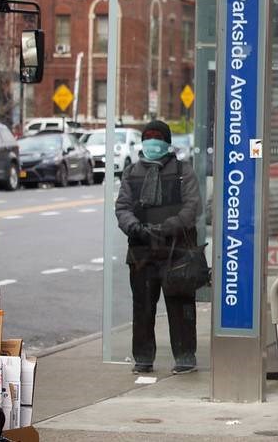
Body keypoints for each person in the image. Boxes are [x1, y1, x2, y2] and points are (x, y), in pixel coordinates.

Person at [115, 120, 201, 374]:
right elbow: (122, 208)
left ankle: (185, 357)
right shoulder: (132, 172)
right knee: (142, 307)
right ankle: (143, 358)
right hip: (141, 251)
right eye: (148, 137)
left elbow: (192, 206)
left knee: (181, 305)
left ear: (167, 142)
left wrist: (168, 226)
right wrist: (135, 227)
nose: (152, 142)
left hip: (178, 252)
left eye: (157, 137)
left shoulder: (184, 170)